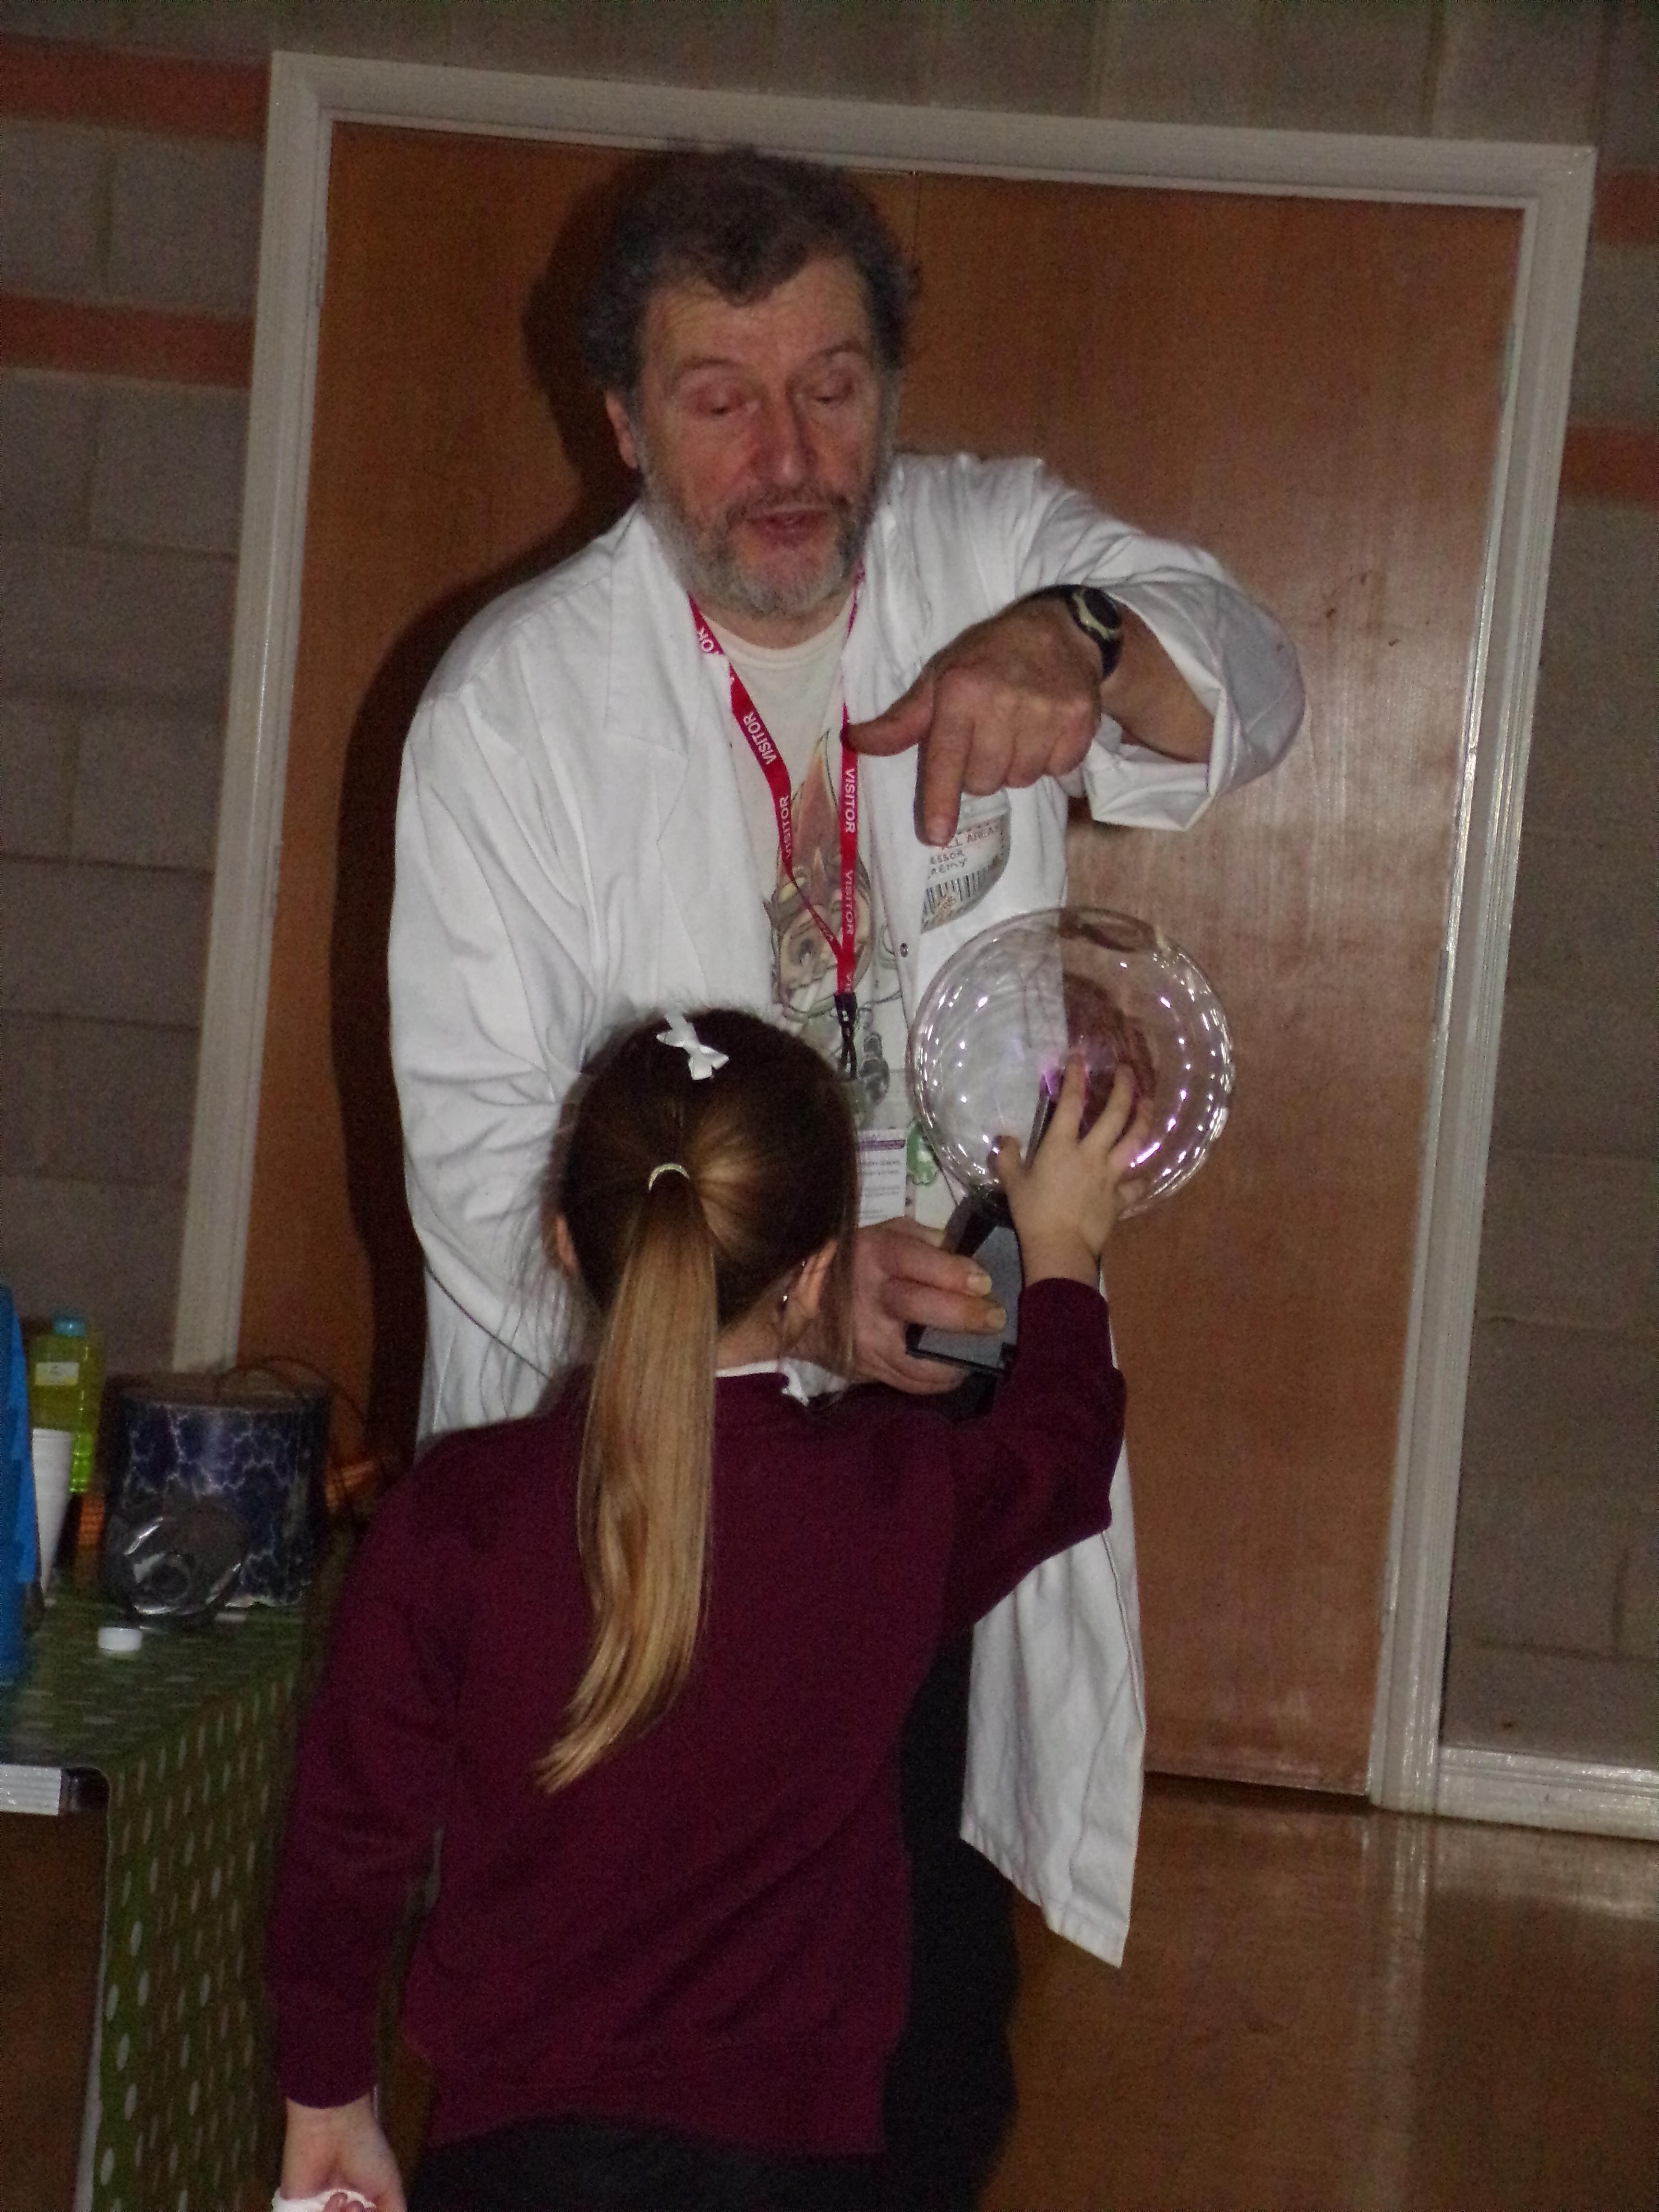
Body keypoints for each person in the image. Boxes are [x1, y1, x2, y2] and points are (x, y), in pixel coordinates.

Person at [388, 148, 1304, 2200]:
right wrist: (797, 1300)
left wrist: (1080, 636)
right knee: (611, 2058)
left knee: (919, 2037)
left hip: (915, 1462)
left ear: (893, 386)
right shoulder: (511, 714)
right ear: (621, 421)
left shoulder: (984, 546)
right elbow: (480, 1174)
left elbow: (1255, 677)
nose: (787, 456)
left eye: (831, 385)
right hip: (647, 1489)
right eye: (717, 398)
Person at [272, 1009, 1147, 2212]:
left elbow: (344, 1845)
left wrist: (328, 2102)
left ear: (564, 1242)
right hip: (801, 2167)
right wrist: (1060, 1256)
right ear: (817, 1276)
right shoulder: (888, 1501)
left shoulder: (455, 1518)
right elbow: (1061, 1453)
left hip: (515, 2162)